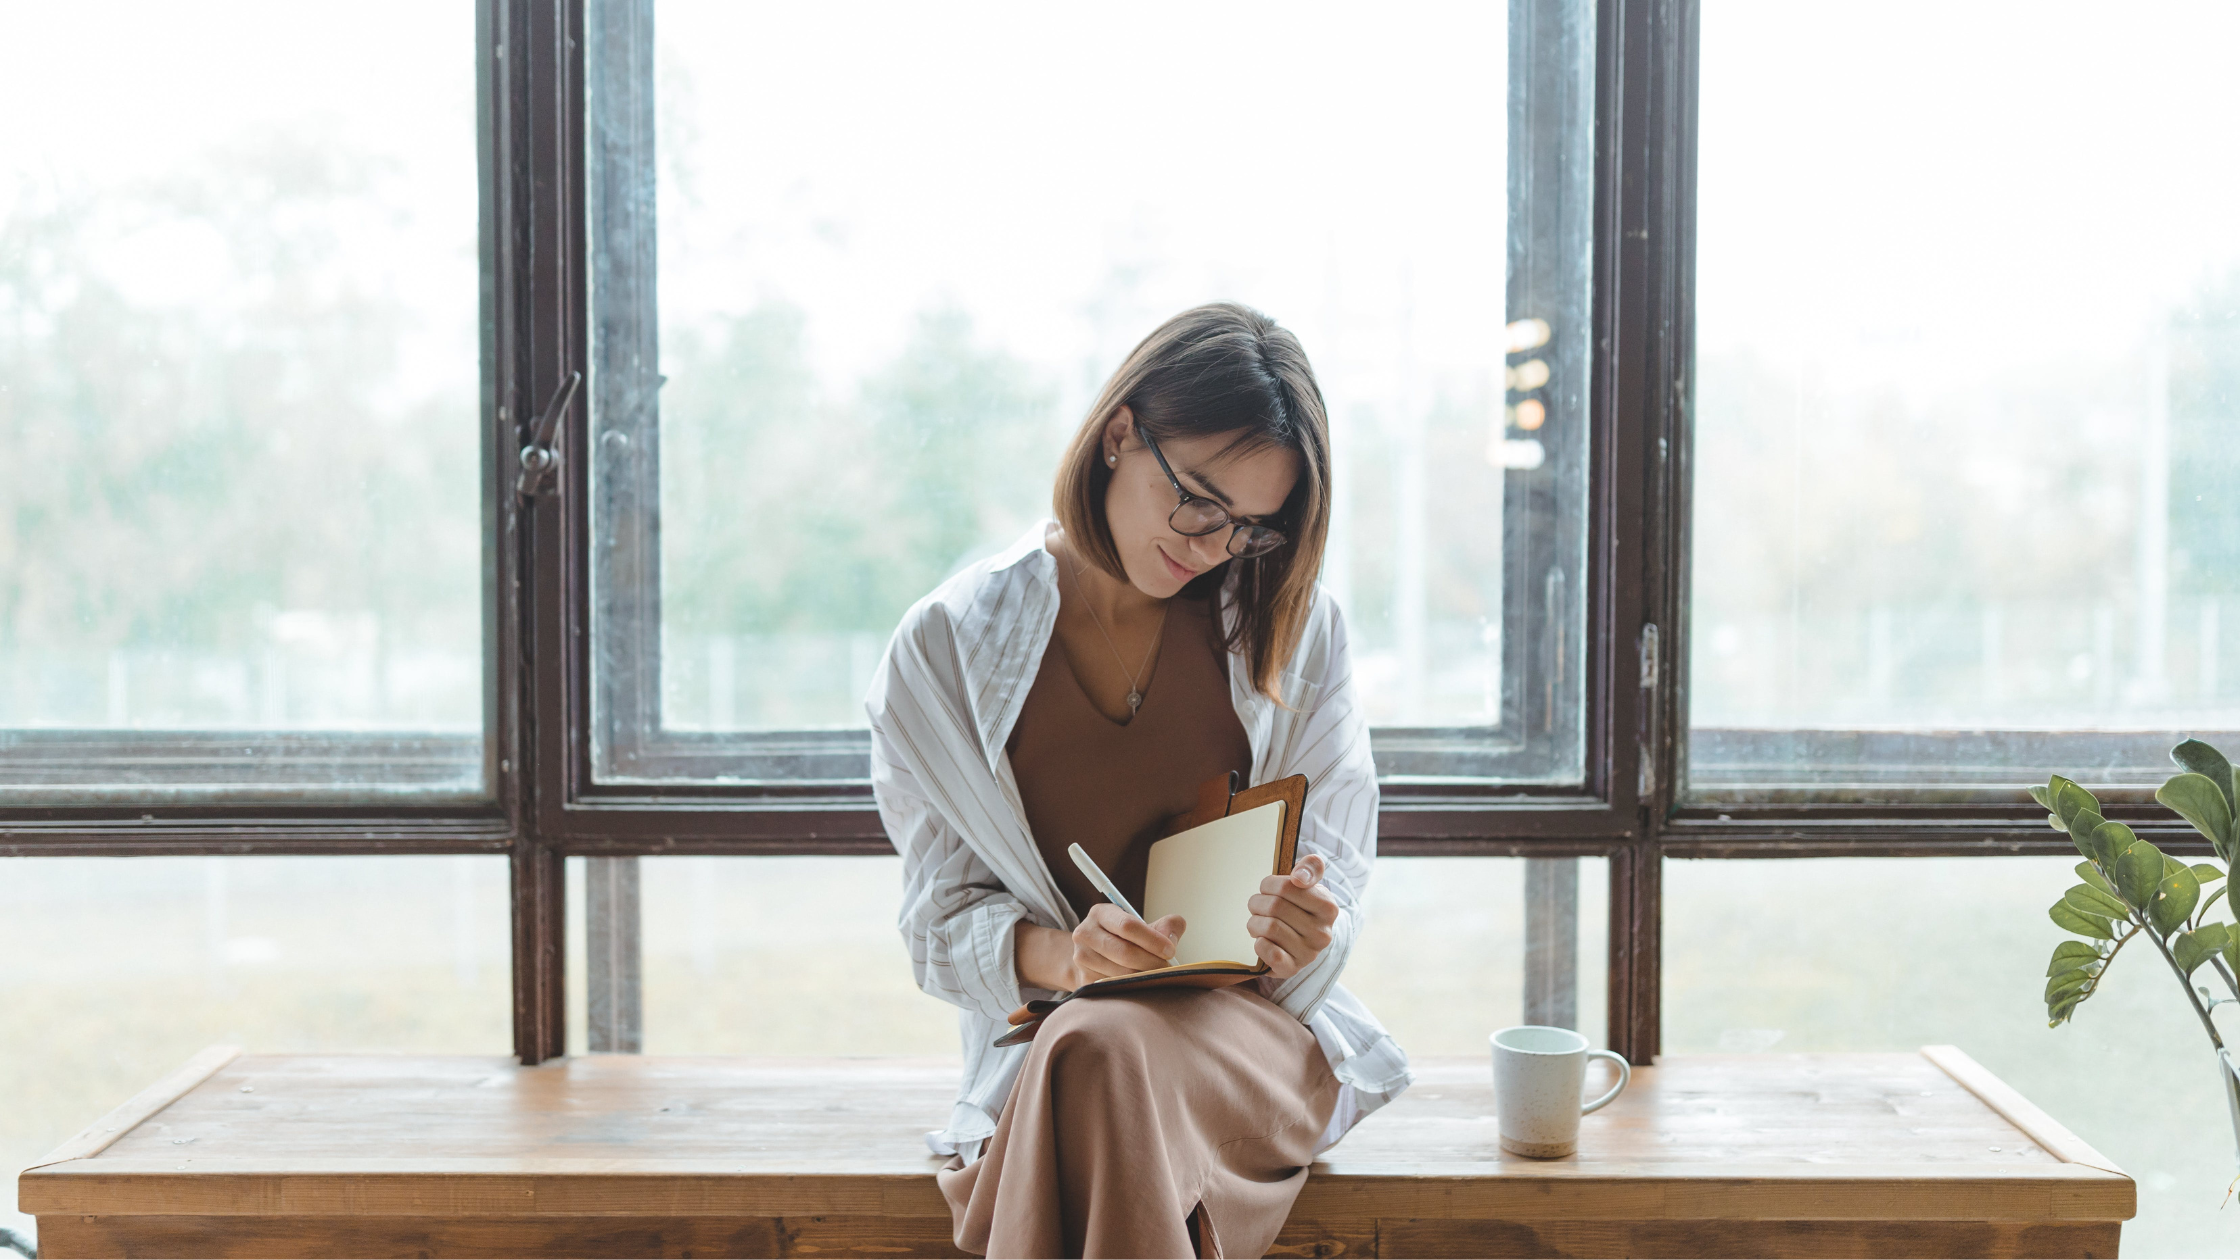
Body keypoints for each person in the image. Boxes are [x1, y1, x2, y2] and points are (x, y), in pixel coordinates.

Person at [866, 302, 1410, 1259]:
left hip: (1249, 1047)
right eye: (1199, 501)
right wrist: (1068, 960)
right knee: (1095, 1045)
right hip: (1066, 1063)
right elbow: (936, 929)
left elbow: (1336, 882)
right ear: (1120, 433)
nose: (1211, 547)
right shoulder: (947, 651)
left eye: (1251, 528)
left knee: (1092, 1052)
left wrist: (1304, 929)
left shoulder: (1294, 628)